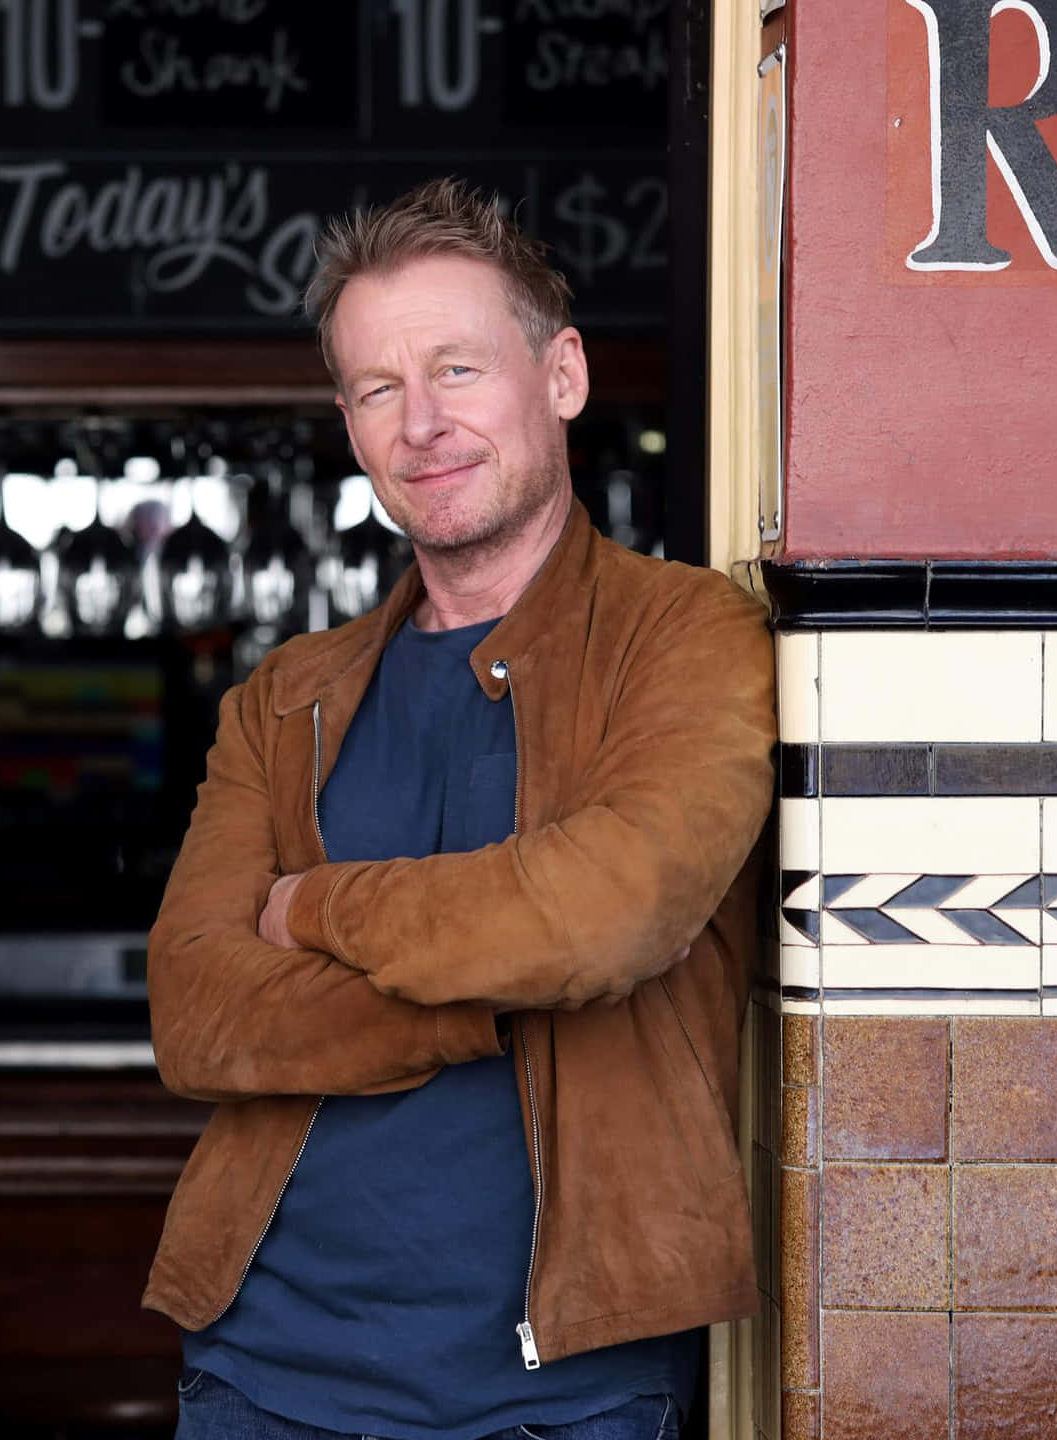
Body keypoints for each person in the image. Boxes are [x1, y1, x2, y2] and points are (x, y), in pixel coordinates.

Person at [144, 177, 775, 1440]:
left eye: (458, 369)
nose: (422, 422)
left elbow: (610, 916)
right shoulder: (286, 698)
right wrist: (501, 985)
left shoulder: (688, 633)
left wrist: (317, 907)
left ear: (561, 376)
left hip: (567, 1389)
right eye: (380, 389)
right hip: (260, 1371)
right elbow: (197, 1013)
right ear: (351, 424)